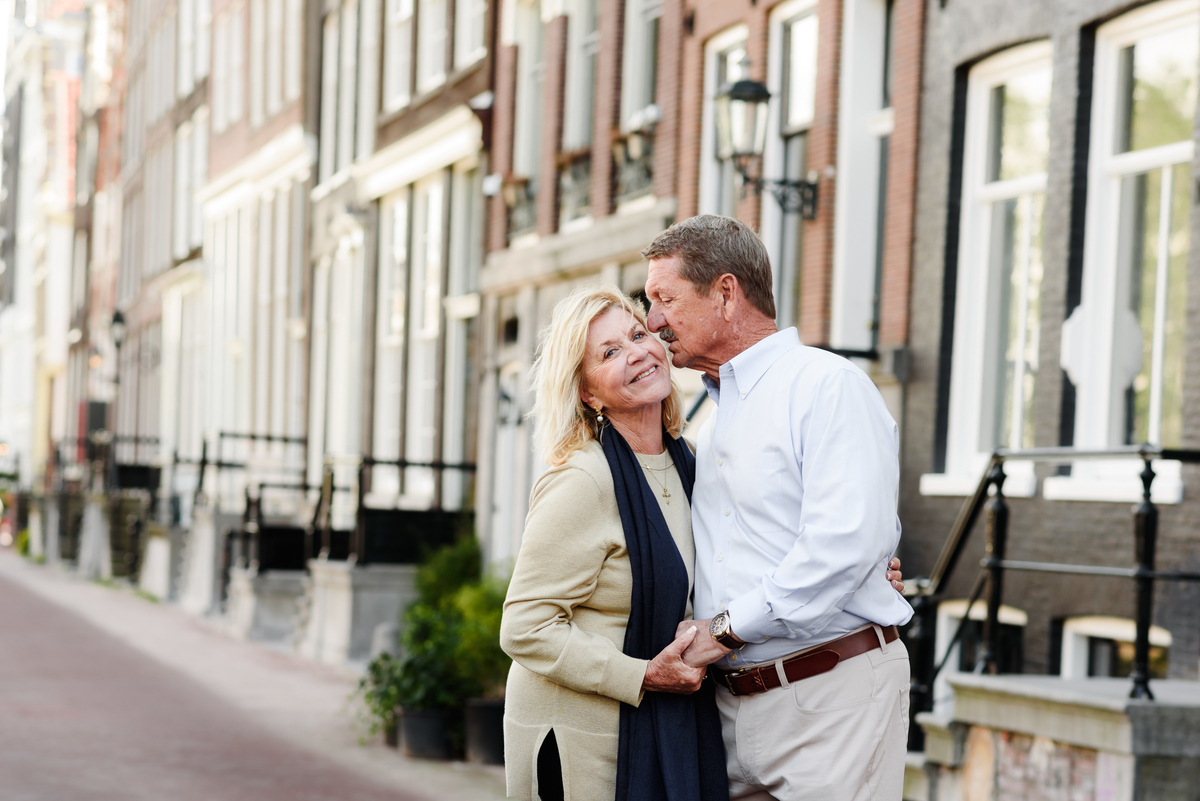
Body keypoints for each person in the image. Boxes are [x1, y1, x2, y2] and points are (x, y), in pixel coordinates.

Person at [499, 286, 906, 801]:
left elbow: (744, 552)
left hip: (670, 729)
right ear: (587, 393)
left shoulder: (692, 459)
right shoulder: (583, 479)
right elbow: (524, 626)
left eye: (638, 334)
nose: (638, 352)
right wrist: (643, 674)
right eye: (609, 353)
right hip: (587, 735)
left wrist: (863, 571)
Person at [642, 214, 915, 801]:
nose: (653, 321)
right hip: (727, 710)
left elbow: (842, 547)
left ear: (725, 292)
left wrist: (723, 632)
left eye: (664, 298)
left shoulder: (826, 385)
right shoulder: (711, 424)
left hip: (829, 700)